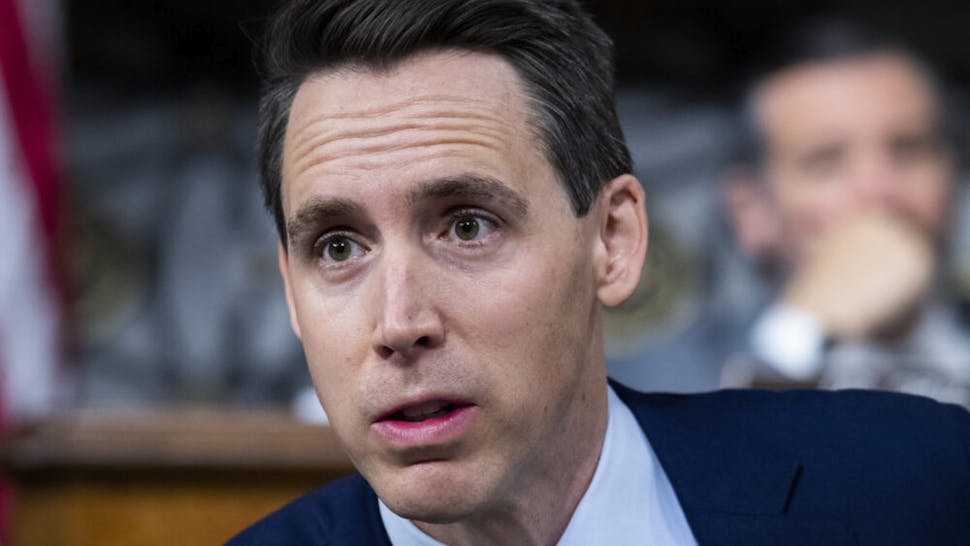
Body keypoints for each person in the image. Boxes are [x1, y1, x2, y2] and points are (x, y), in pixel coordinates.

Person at [228, 2, 970, 544]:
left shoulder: (921, 485)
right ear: (291, 292)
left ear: (613, 239)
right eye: (337, 247)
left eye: (467, 226)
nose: (398, 323)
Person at [611, 19, 970, 404]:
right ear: (751, 212)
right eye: (825, 161)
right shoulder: (659, 386)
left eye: (909, 149)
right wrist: (799, 330)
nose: (879, 190)